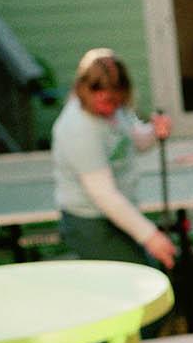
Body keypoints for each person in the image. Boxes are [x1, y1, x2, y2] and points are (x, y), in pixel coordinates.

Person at [52, 48, 177, 272]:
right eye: (99, 95)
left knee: (144, 273)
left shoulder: (114, 110)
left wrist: (154, 132)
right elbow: (104, 195)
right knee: (138, 277)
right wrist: (151, 236)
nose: (107, 104)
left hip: (119, 212)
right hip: (90, 221)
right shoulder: (78, 129)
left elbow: (134, 140)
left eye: (113, 98)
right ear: (83, 89)